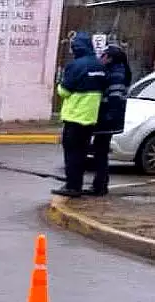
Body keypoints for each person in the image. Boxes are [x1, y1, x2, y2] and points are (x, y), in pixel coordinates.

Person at [53, 32, 107, 198]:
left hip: (74, 116)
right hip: (90, 117)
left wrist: (60, 85)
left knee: (71, 153)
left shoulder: (75, 66)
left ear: (76, 47)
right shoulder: (99, 66)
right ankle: (77, 184)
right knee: (82, 153)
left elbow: (64, 91)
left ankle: (72, 186)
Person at [85, 44, 132, 196]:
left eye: (104, 55)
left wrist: (109, 115)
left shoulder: (117, 72)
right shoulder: (116, 70)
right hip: (109, 119)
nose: (101, 58)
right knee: (100, 151)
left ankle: (99, 186)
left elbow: (115, 96)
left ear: (110, 58)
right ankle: (100, 185)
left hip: (108, 119)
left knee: (100, 152)